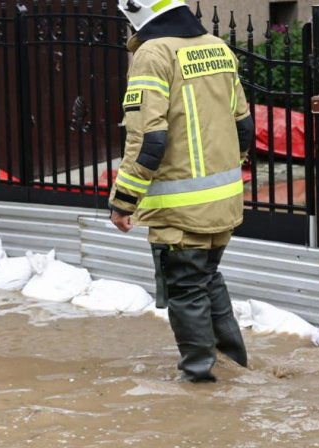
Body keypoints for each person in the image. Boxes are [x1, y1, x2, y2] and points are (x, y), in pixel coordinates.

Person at [109, 0, 254, 383]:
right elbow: (243, 126)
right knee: (208, 280)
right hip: (223, 199)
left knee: (186, 290)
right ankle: (235, 368)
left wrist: (124, 200)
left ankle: (200, 380)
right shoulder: (216, 46)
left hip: (179, 210)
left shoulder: (153, 54)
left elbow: (148, 139)